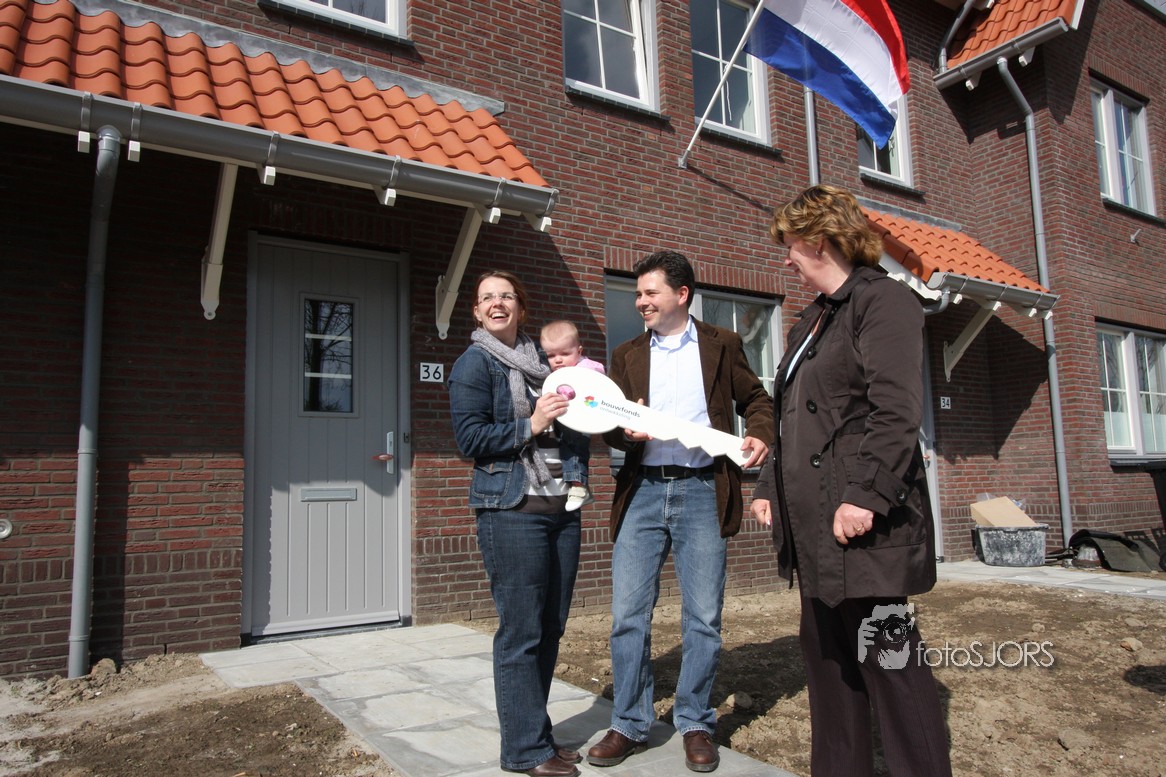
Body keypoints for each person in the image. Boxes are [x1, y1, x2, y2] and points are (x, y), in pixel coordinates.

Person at [751, 184, 953, 776]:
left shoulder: (883, 301)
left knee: (892, 669)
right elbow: (790, 417)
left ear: (819, 240)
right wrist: (768, 487)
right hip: (814, 524)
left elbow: (897, 412)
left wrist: (865, 495)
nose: (787, 259)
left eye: (790, 245)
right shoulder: (813, 319)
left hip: (860, 524)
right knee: (829, 665)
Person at [586, 250, 773, 773]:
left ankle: (695, 722)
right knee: (628, 616)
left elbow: (757, 400)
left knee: (703, 618)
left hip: (701, 491)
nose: (640, 302)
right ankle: (629, 722)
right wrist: (623, 432)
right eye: (637, 294)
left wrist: (760, 433)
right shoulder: (625, 354)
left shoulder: (722, 344)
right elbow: (607, 424)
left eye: (650, 293)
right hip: (642, 492)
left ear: (682, 294)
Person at [447, 271, 592, 777]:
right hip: (512, 512)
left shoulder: (548, 362)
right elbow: (470, 439)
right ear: (476, 311)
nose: (497, 303)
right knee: (522, 632)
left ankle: (536, 734)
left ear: (521, 307)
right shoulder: (474, 364)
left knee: (550, 628)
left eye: (506, 295)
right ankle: (524, 750)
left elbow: (581, 421)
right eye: (487, 297)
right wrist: (532, 423)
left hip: (562, 510)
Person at [540, 319, 605, 511]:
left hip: (581, 419)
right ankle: (580, 485)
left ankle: (578, 485)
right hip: (567, 417)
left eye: (565, 354)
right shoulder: (556, 374)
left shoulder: (586, 368)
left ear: (579, 351)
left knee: (574, 446)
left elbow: (596, 376)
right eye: (551, 355)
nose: (558, 360)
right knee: (567, 448)